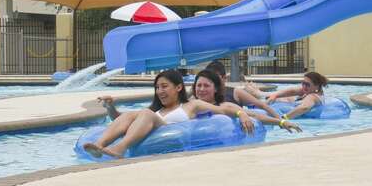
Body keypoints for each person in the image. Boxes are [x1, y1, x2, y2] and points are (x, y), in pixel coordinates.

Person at [83, 69, 257, 159]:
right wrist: (110, 107)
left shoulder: (191, 105)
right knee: (131, 115)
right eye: (157, 88)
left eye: (164, 86)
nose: (160, 91)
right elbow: (122, 120)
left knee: (145, 113)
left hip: (173, 135)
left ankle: (120, 148)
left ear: (179, 87)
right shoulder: (155, 111)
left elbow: (223, 109)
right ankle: (99, 145)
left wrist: (241, 113)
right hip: (153, 131)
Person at [189, 70, 300, 133]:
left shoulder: (225, 106)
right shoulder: (190, 106)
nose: (201, 89)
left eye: (206, 86)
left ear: (216, 89)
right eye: (198, 85)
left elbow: (255, 114)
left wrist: (280, 122)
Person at [203, 60, 283, 119]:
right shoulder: (204, 94)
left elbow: (262, 105)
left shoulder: (236, 93)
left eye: (215, 78)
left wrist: (280, 121)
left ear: (224, 78)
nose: (213, 81)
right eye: (209, 78)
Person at [263, 71, 329, 120]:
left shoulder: (312, 97)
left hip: (303, 120)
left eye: (307, 84)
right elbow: (292, 91)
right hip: (295, 106)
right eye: (303, 83)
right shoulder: (312, 91)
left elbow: (304, 107)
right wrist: (275, 95)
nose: (304, 86)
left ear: (316, 86)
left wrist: (284, 118)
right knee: (284, 98)